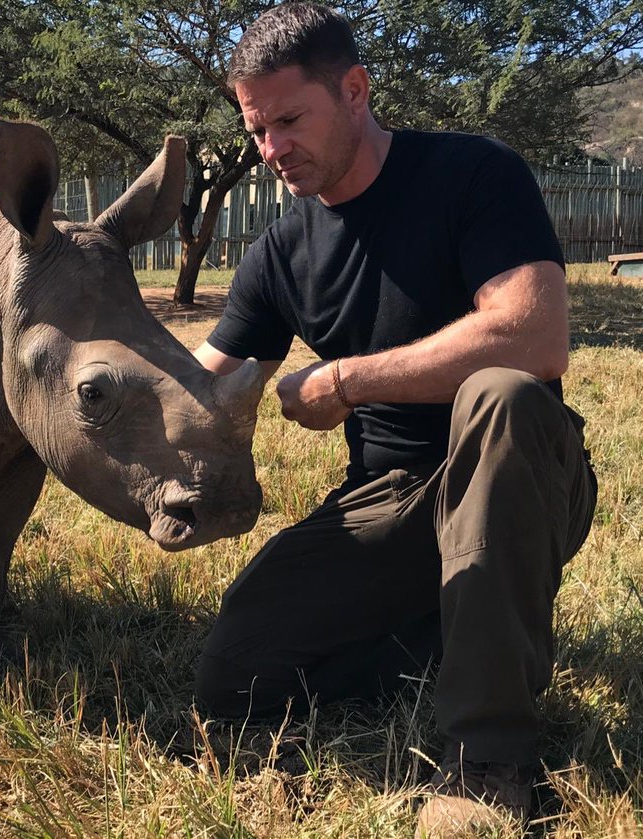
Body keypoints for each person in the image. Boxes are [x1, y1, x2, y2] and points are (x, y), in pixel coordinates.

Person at [191, 3, 598, 836]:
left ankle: (490, 761)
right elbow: (200, 385)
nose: (272, 151)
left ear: (355, 90)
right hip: (390, 497)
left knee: (502, 391)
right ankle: (451, 633)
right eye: (257, 130)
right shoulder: (278, 252)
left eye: (290, 121)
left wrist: (344, 380)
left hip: (519, 472)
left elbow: (536, 335)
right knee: (234, 674)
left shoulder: (474, 174)